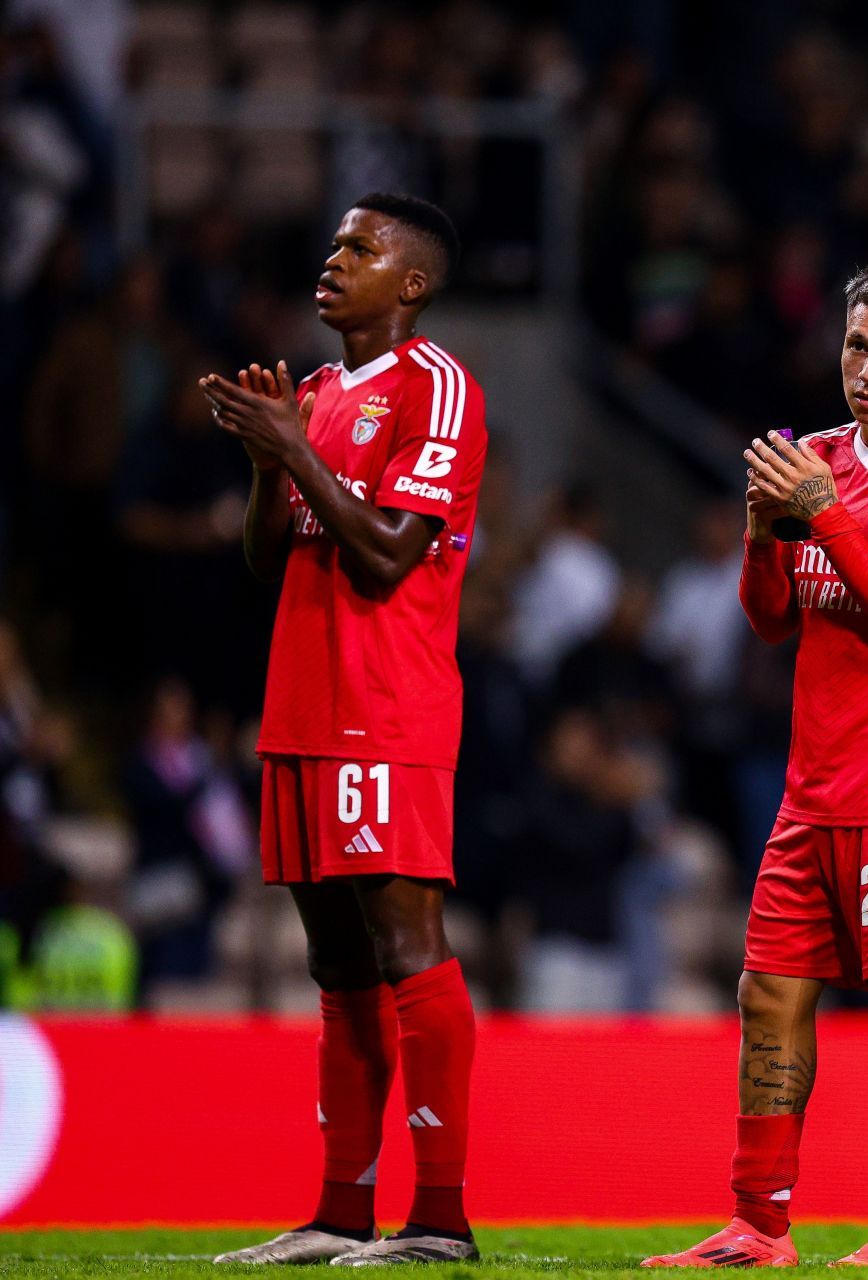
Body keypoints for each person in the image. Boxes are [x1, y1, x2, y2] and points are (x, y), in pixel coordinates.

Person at [643, 260, 868, 1269]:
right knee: (767, 990)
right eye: (858, 344)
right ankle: (759, 1222)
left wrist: (824, 514)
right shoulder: (815, 458)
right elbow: (770, 621)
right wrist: (764, 535)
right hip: (816, 782)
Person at [200, 193, 488, 1266]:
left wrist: (296, 451)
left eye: (361, 247)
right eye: (334, 242)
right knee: (336, 965)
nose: (335, 258)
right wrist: (276, 461)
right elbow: (266, 562)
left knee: (407, 944)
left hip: (387, 702)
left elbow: (389, 553)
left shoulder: (439, 388)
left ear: (410, 283)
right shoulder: (315, 391)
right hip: (302, 702)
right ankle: (337, 1211)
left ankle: (443, 1217)